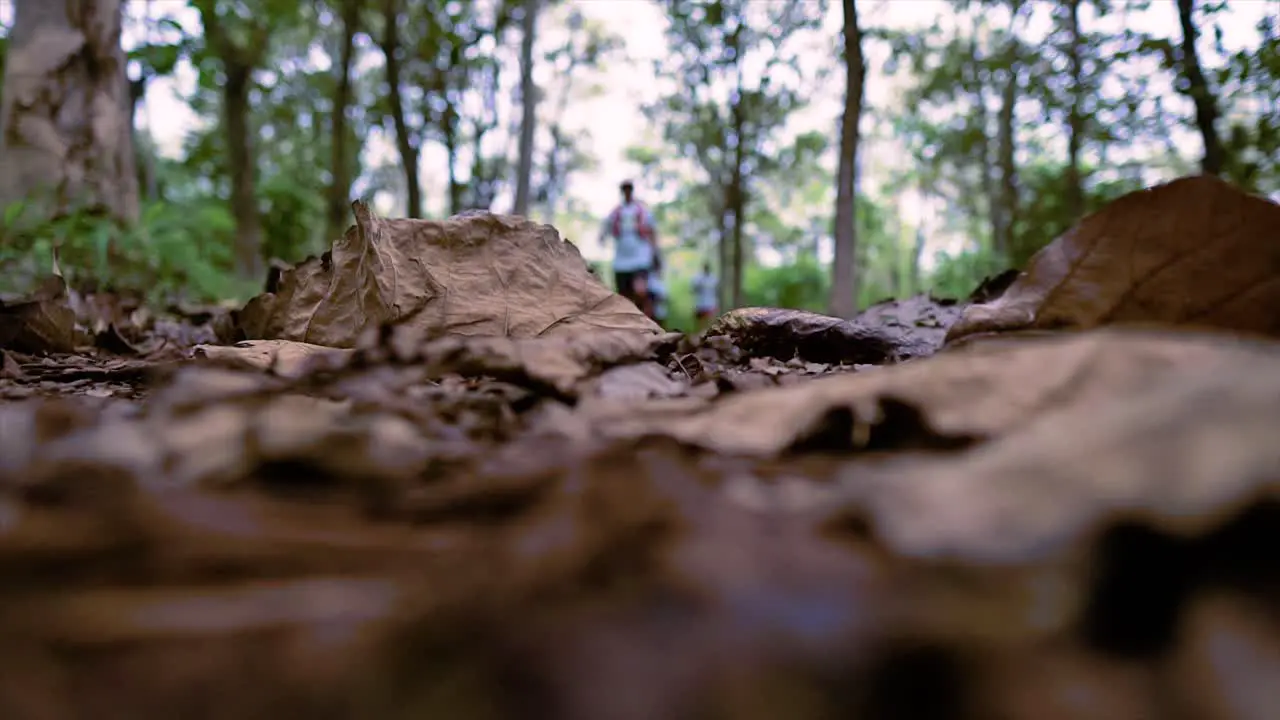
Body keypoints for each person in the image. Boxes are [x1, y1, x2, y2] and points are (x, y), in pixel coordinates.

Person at [599, 180, 660, 316]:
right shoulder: (615, 213)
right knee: (624, 297)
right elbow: (605, 228)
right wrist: (602, 238)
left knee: (640, 291)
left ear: (632, 191)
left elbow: (652, 232)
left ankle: (648, 320)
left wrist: (655, 252)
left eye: (629, 189)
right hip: (621, 261)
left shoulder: (643, 211)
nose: (627, 192)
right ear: (622, 192)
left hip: (640, 258)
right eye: (624, 189)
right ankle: (631, 326)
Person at [691, 262, 718, 331]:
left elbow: (716, 290)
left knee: (710, 324)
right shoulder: (698, 278)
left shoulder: (713, 278)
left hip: (710, 303)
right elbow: (693, 289)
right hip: (700, 304)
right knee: (700, 325)